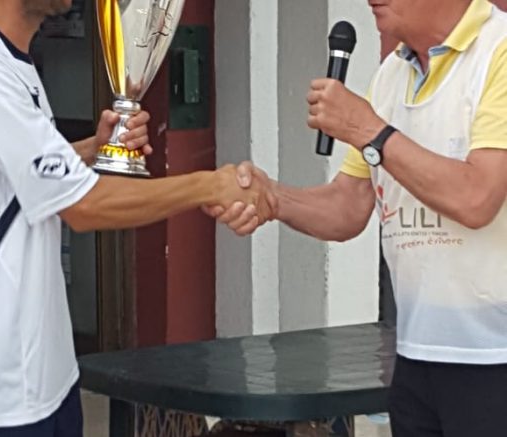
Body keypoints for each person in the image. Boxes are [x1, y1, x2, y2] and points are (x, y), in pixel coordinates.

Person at [0, 0, 275, 436]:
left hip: (44, 371)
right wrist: (208, 186)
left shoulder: (5, 57)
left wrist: (96, 149)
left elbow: (21, 170)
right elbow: (83, 206)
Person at [208, 0, 507, 436]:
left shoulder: (498, 51)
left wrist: (368, 129)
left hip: (496, 356)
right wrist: (272, 199)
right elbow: (347, 207)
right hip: (416, 354)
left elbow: (477, 198)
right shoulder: (391, 74)